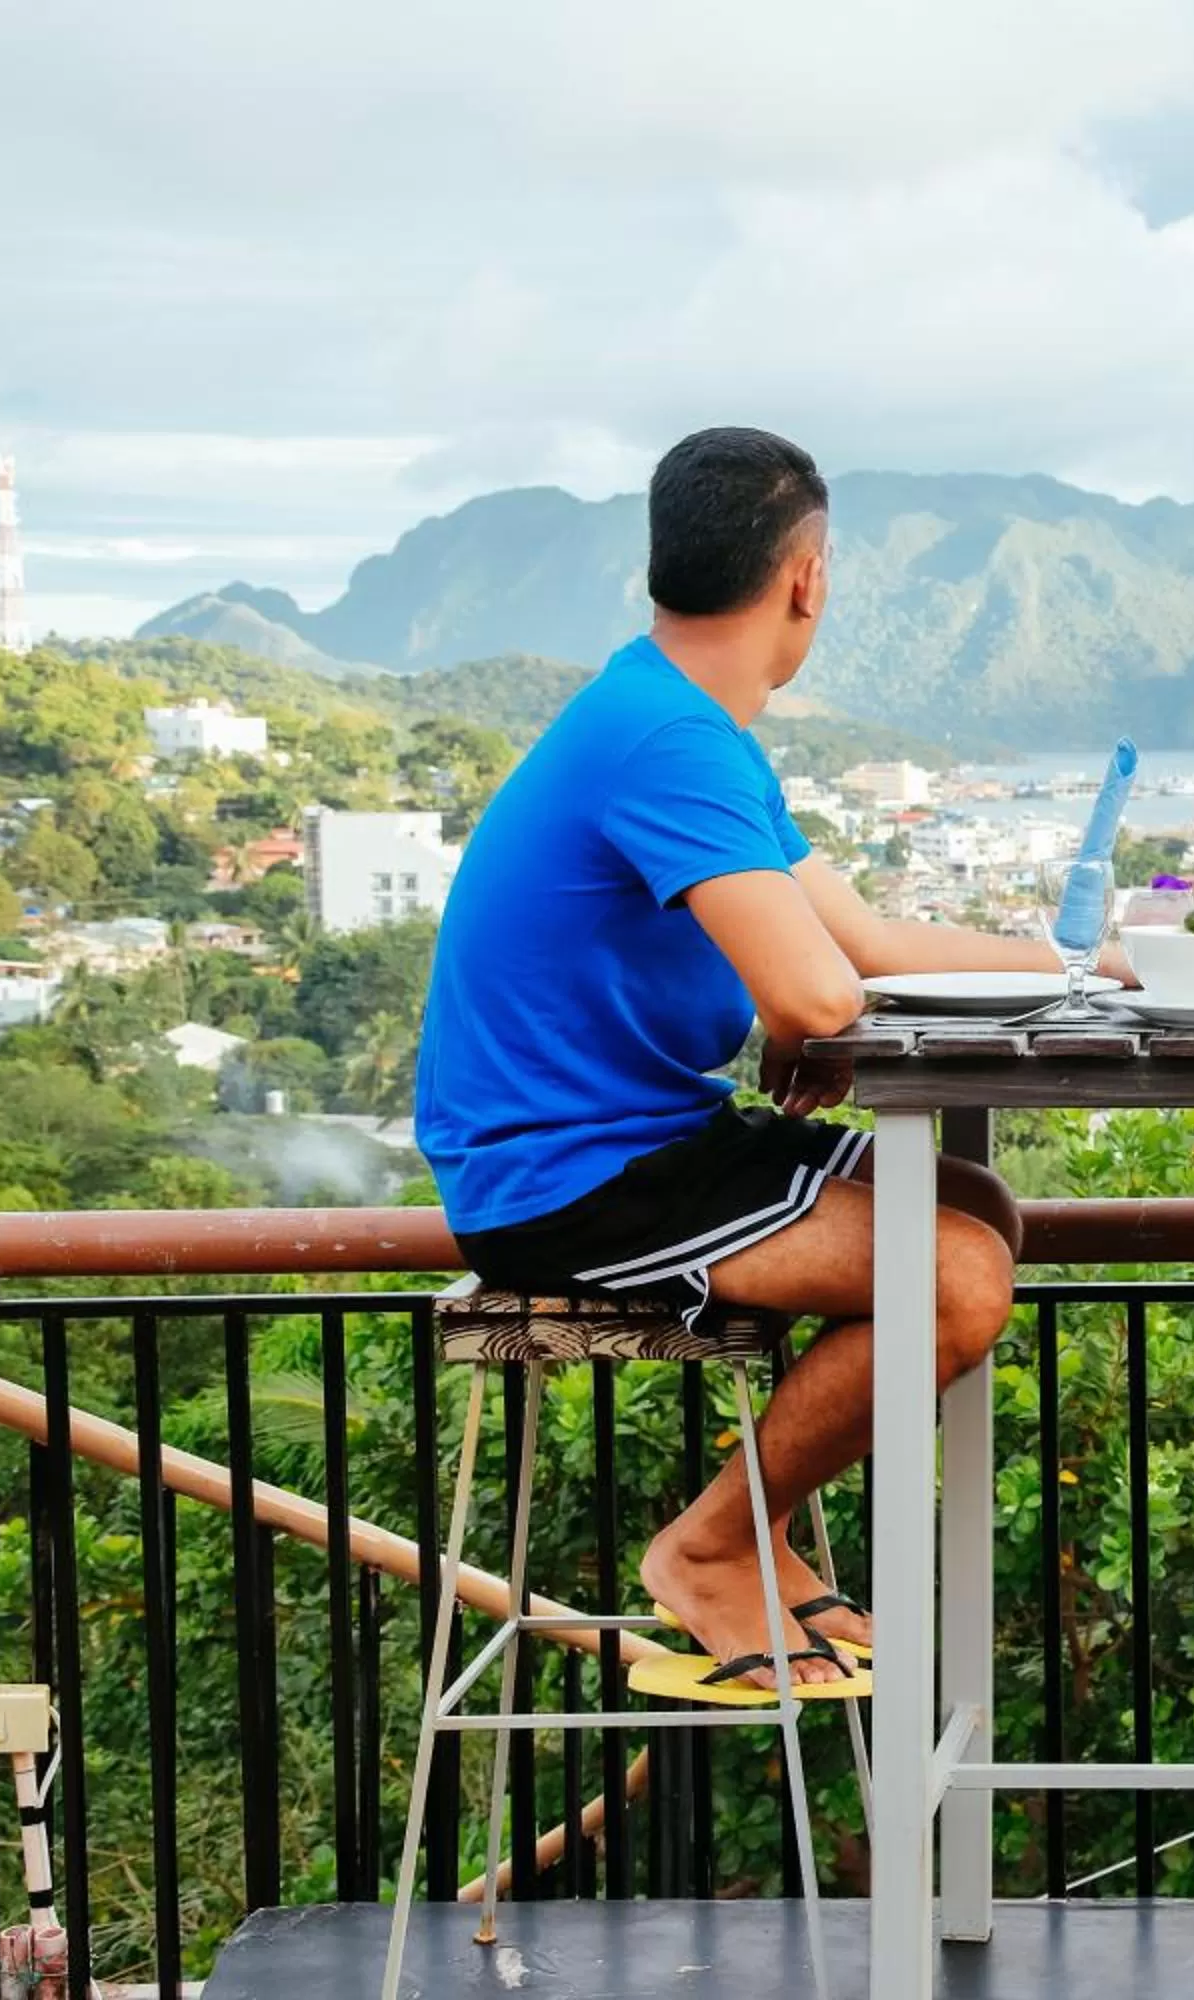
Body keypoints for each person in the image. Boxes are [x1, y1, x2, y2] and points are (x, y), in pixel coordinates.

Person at [417, 426, 1113, 1696]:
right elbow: (813, 986)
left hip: (643, 1136)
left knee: (979, 1207)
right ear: (809, 578)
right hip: (569, 1172)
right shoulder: (665, 739)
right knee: (958, 1280)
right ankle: (712, 1545)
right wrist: (802, 1030)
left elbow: (863, 937)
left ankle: (764, 1525)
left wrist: (1092, 967)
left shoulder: (678, 721)